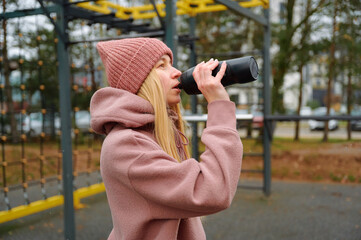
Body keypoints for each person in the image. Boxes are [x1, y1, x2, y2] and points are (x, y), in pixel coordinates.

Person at [90, 37, 243, 240]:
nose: (177, 72)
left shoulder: (156, 132)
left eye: (170, 63)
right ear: (140, 81)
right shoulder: (126, 145)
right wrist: (219, 106)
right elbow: (213, 191)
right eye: (161, 66)